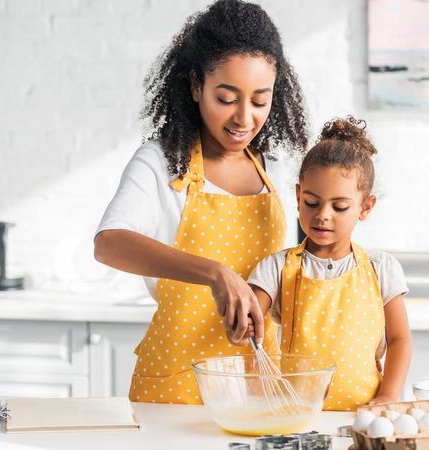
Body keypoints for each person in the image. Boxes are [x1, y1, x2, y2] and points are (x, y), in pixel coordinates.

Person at [94, 0, 308, 404]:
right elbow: (108, 243)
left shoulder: (275, 172)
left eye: (260, 100)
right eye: (226, 98)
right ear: (196, 85)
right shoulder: (160, 162)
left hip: (258, 380)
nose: (244, 117)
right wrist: (215, 273)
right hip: (176, 386)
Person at [247, 116, 412, 411]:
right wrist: (243, 323)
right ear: (298, 197)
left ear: (365, 207)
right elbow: (250, 321)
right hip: (295, 414)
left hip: (363, 417)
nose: (323, 215)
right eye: (312, 202)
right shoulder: (276, 267)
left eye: (339, 206)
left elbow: (399, 340)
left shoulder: (381, 268)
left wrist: (388, 397)